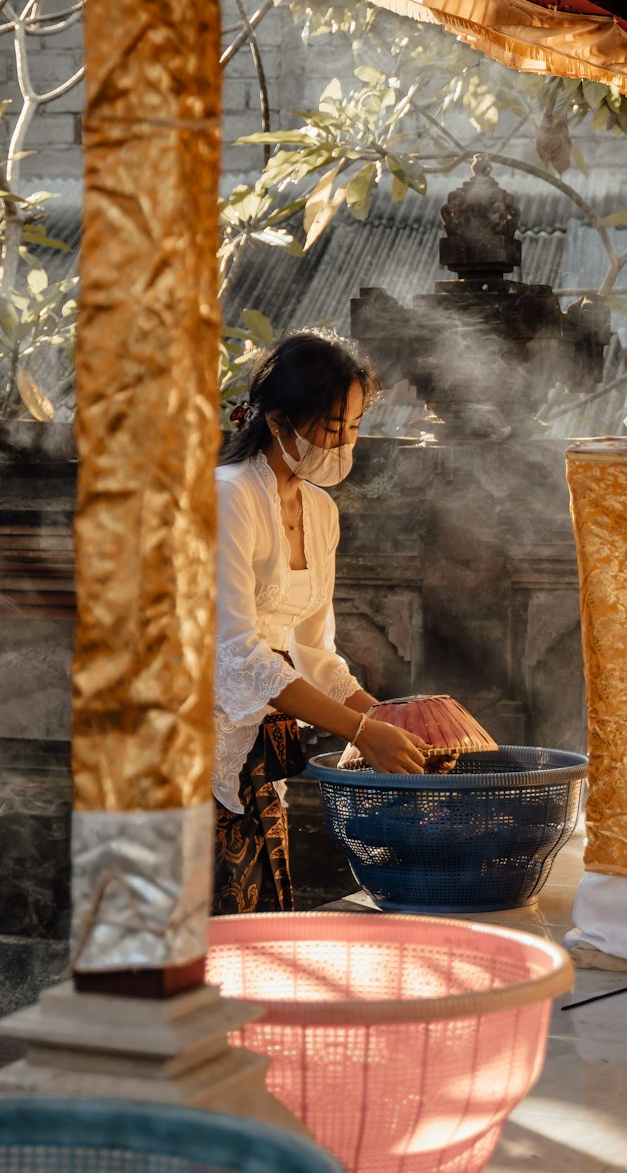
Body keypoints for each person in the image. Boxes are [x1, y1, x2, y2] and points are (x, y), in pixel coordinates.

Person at [213, 330, 427, 913]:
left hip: (256, 743)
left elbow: (315, 652)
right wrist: (362, 733)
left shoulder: (320, 510)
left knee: (258, 922)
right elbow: (237, 654)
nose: (343, 444)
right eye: (331, 428)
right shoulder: (228, 498)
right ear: (279, 422)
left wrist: (392, 725)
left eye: (353, 427)